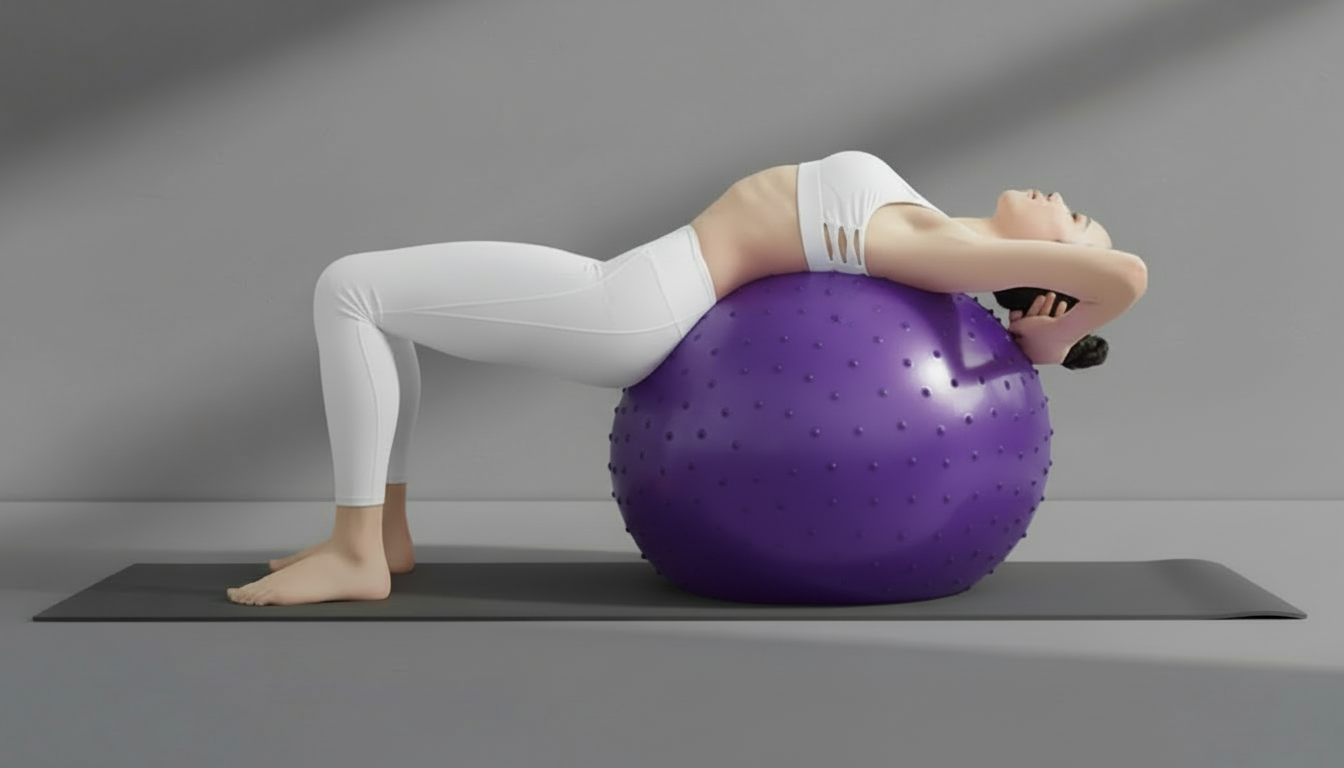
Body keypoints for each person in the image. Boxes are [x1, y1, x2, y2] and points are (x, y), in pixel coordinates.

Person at [225, 150, 1148, 606]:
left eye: (1079, 224)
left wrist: (1058, 338)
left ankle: (357, 552)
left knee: (350, 291)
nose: (1069, 204)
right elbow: (1098, 279)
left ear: (1053, 271)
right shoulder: (939, 232)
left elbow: (1130, 278)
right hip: (641, 285)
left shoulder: (945, 255)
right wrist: (1051, 325)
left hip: (633, 306)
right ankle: (378, 538)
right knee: (368, 300)